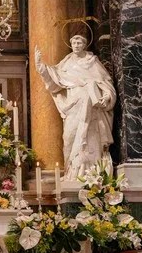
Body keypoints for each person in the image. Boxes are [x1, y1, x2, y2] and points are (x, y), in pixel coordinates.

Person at [35, 35, 116, 179]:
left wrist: (107, 95)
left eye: (79, 42)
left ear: (84, 45)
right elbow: (55, 79)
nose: (76, 45)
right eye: (74, 42)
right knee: (69, 137)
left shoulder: (92, 62)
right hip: (73, 106)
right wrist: (40, 66)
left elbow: (105, 82)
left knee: (90, 139)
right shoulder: (66, 63)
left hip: (91, 108)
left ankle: (89, 174)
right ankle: (71, 172)